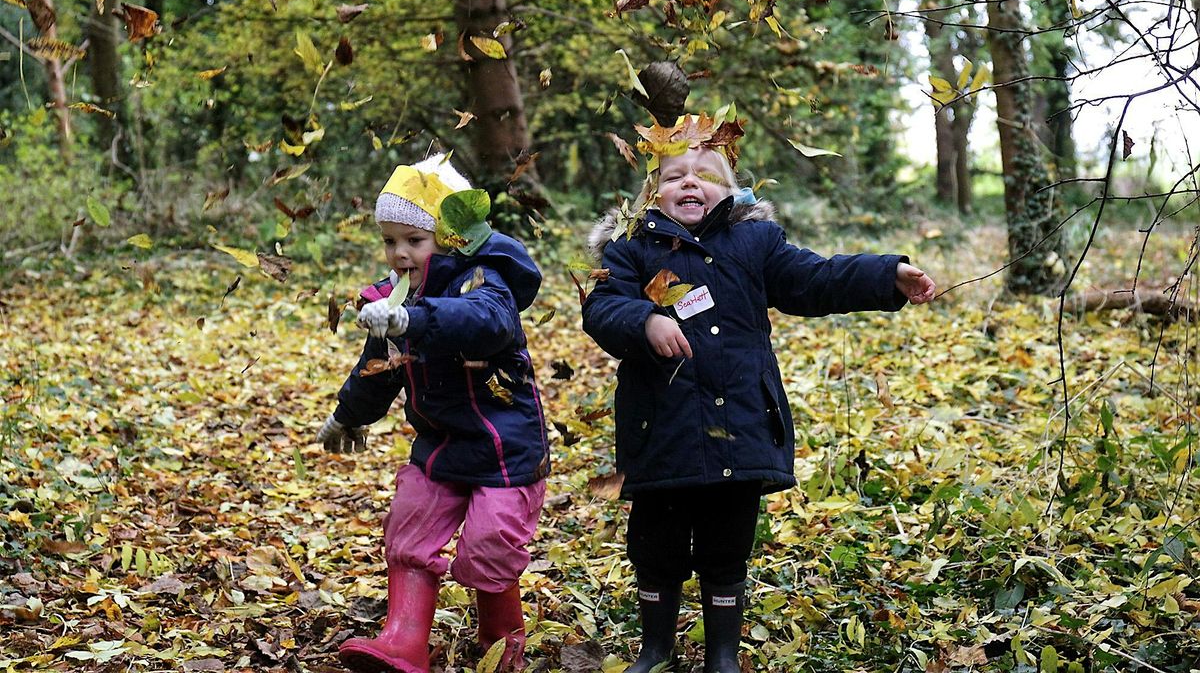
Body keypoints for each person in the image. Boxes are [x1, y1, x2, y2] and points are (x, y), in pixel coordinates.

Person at [581, 116, 935, 673]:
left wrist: (886, 275)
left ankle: (723, 652)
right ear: (651, 193)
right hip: (662, 425)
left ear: (731, 191)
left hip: (741, 420)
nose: (690, 184)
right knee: (658, 543)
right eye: (674, 176)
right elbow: (601, 309)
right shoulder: (630, 249)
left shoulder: (754, 240)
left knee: (727, 543)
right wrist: (645, 319)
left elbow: (816, 279)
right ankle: (656, 647)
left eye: (705, 175)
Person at [316, 153, 549, 673]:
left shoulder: (484, 279)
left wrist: (413, 318)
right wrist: (349, 415)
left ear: (448, 237)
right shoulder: (394, 299)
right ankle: (403, 641)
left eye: (413, 241)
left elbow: (487, 323)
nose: (399, 254)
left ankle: (500, 642)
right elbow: (379, 368)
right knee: (409, 527)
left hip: (504, 448)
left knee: (488, 548)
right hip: (438, 447)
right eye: (389, 241)